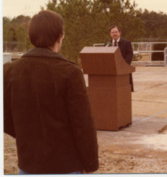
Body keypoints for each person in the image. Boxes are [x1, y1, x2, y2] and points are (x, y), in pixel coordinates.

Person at [4, 10, 99, 174]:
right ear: (60, 36)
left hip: (28, 165)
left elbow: (5, 117)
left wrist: (27, 135)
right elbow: (83, 124)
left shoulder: (9, 71)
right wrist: (90, 164)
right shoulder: (70, 72)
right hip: (66, 166)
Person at [105, 25, 134, 91]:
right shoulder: (107, 44)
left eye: (116, 32)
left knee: (124, 91)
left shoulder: (126, 43)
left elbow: (130, 54)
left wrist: (123, 64)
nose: (114, 34)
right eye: (112, 32)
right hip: (111, 70)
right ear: (110, 34)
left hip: (124, 70)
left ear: (119, 33)